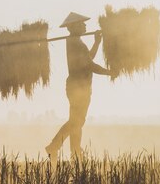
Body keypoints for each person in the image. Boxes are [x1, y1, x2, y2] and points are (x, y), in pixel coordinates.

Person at [45, 12, 117, 162]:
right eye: (81, 24)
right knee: (76, 121)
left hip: (79, 87)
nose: (85, 26)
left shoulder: (75, 41)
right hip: (78, 88)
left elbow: (87, 59)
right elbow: (89, 65)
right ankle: (55, 146)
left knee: (77, 121)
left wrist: (96, 42)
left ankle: (75, 152)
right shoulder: (75, 43)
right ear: (73, 26)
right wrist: (109, 72)